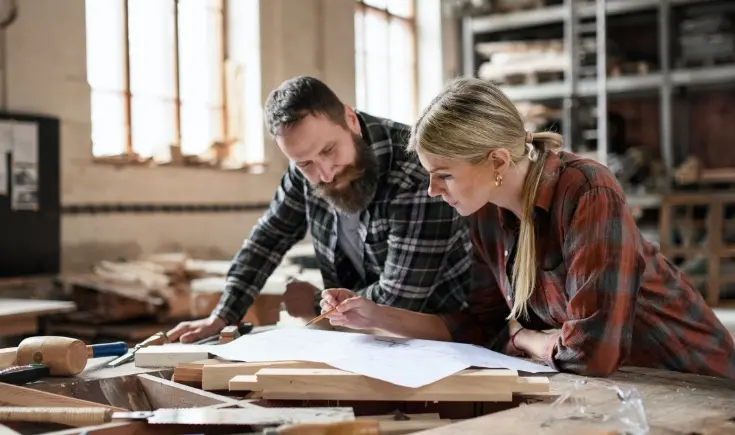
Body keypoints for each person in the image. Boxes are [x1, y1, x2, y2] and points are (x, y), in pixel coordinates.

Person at [319, 77, 735, 379]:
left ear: (498, 161)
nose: (432, 190)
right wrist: (372, 314)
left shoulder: (587, 188)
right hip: (625, 385)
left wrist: (529, 341)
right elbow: (482, 326)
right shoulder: (484, 213)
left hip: (690, 376)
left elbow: (593, 354)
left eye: (443, 175)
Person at [166, 76, 472, 343]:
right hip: (362, 336)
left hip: (446, 340)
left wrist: (315, 305)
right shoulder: (304, 172)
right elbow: (268, 238)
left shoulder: (415, 170)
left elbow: (398, 303)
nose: (325, 174)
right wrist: (223, 315)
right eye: (305, 163)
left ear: (351, 120)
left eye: (329, 150)